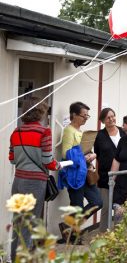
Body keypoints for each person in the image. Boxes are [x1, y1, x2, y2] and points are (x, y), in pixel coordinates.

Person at [8, 97, 59, 261]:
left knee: (19, 223)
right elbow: (48, 162)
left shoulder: (16, 132)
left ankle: (14, 257)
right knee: (30, 224)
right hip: (35, 183)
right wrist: (59, 165)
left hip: (18, 181)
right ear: (41, 112)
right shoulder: (45, 132)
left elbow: (12, 159)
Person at [59, 102, 103, 242]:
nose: (85, 118)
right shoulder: (69, 131)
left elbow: (83, 150)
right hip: (74, 175)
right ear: (74, 115)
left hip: (85, 172)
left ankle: (68, 227)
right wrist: (82, 157)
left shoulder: (80, 132)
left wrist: (91, 155)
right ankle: (72, 235)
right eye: (83, 116)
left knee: (97, 202)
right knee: (77, 206)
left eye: (87, 116)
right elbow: (66, 154)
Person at [93, 107, 126, 232]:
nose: (111, 119)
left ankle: (119, 234)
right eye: (108, 117)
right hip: (105, 176)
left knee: (120, 207)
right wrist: (96, 175)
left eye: (113, 116)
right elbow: (97, 156)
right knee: (106, 206)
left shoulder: (123, 132)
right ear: (102, 120)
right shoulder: (99, 136)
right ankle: (103, 234)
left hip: (123, 175)